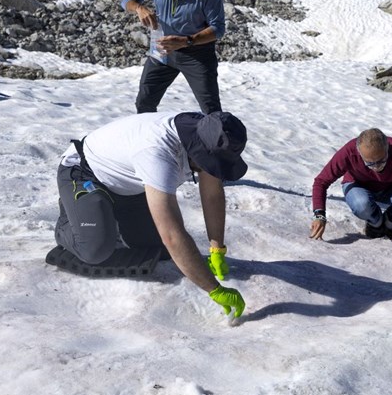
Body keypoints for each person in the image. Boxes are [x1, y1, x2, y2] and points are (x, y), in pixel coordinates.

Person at [52, 110, 248, 319]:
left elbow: (212, 195)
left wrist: (216, 248)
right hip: (84, 173)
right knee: (96, 250)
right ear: (199, 151)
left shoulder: (208, 134)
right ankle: (72, 216)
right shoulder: (158, 154)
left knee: (157, 249)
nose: (212, 170)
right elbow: (172, 235)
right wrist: (214, 289)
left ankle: (102, 213)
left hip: (130, 185)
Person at [122, 0, 226, 114]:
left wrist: (187, 41)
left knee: (211, 110)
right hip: (162, 50)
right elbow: (127, 0)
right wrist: (139, 8)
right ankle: (149, 140)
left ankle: (220, 140)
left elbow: (218, 28)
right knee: (144, 104)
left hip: (197, 53)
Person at [309, 128, 392, 241]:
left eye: (382, 161)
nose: (377, 167)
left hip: (391, 185)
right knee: (362, 204)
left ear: (388, 148)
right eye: (370, 163)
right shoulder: (348, 152)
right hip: (357, 184)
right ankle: (375, 223)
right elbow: (321, 182)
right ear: (359, 152)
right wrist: (319, 215)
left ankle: (389, 223)